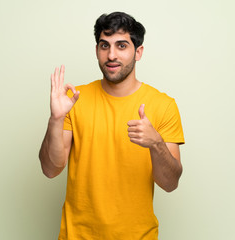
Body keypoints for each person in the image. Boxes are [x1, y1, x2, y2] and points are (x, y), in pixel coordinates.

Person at [39, 11, 185, 240]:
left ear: (138, 52)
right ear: (96, 50)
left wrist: (155, 143)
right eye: (104, 45)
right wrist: (55, 119)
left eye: (122, 46)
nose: (111, 55)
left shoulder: (163, 105)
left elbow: (170, 183)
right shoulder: (74, 99)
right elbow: (50, 169)